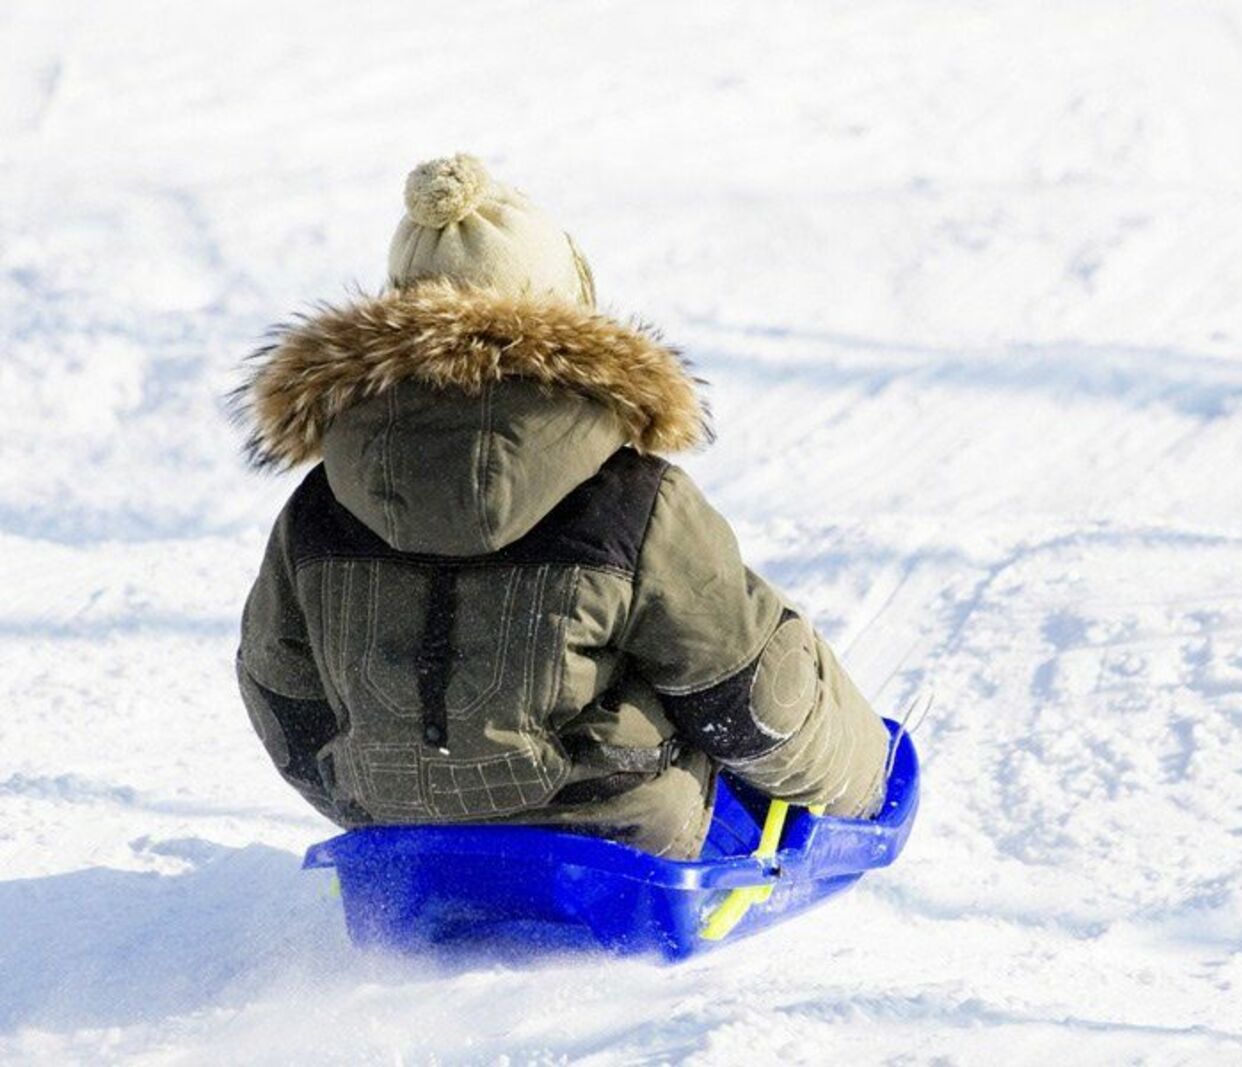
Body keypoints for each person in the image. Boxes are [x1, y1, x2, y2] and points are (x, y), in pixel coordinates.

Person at [232, 154, 888, 858]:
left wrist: (390, 806)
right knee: (740, 764)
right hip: (616, 854)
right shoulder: (635, 501)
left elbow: (284, 697)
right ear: (570, 315)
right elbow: (752, 693)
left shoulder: (318, 505)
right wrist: (871, 785)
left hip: (405, 848)